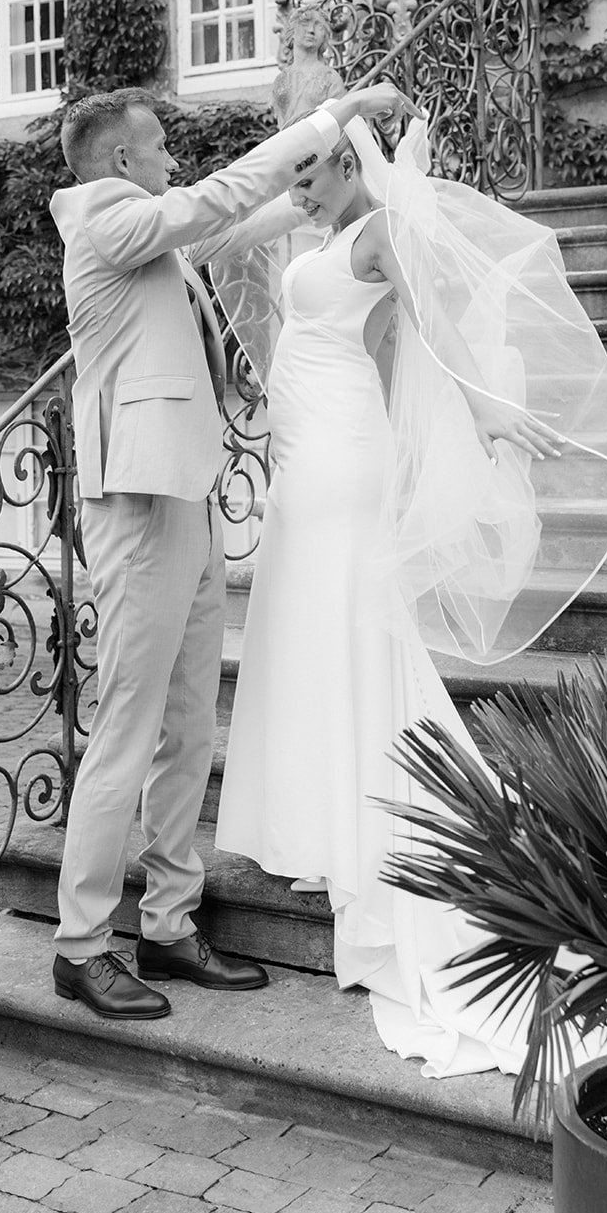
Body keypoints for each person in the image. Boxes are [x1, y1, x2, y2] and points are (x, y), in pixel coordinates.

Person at [213, 115, 607, 1076]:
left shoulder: (381, 232)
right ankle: (321, 825)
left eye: (312, 176)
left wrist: (486, 409)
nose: (298, 192)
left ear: (352, 162)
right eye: (294, 179)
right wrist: (314, 140)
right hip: (303, 457)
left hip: (342, 461)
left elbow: (436, 326)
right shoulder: (320, 230)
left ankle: (365, 829)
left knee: (345, 636)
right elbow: (222, 234)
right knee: (304, 640)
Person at [49, 80, 409, 1022]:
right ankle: (80, 946)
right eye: (160, 146)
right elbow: (213, 200)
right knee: (127, 730)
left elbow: (225, 227)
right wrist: (336, 112)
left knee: (187, 727)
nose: (173, 157)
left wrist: (317, 195)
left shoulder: (153, 241)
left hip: (189, 497)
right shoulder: (102, 219)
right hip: (138, 509)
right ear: (121, 160)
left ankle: (168, 923)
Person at [271, 4, 346, 129]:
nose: (311, 30)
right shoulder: (281, 79)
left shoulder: (330, 78)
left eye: (319, 26)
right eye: (304, 23)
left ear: (324, 36)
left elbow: (339, 124)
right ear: (292, 31)